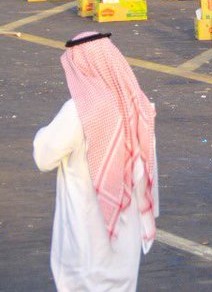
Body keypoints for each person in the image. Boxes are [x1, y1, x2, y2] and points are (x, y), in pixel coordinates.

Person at [34, 32, 159, 292]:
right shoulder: (137, 105)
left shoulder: (79, 111)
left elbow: (43, 157)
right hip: (125, 240)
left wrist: (40, 135)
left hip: (87, 238)